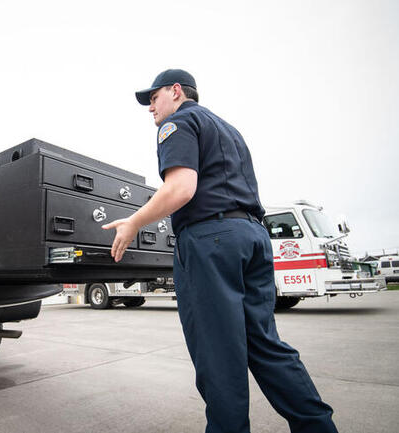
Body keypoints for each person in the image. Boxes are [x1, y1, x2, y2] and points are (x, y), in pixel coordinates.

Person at [102, 69, 338, 433]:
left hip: (211, 241)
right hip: (252, 236)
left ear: (176, 91)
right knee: (264, 344)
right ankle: (318, 427)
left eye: (153, 98)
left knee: (219, 358)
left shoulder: (178, 124)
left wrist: (134, 221)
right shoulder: (229, 130)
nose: (150, 108)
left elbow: (181, 188)